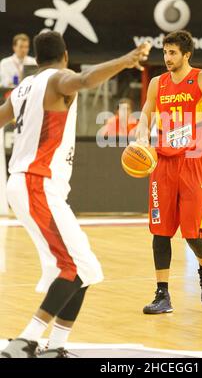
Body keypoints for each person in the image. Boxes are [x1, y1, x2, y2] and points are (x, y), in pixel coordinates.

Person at [0, 31, 150, 358]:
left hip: (29, 183)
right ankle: (25, 341)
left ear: (36, 58)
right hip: (37, 182)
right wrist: (126, 60)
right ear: (64, 55)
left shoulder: (23, 87)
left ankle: (55, 347)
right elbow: (83, 79)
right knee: (70, 267)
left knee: (86, 268)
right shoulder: (58, 78)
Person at [135, 25, 202, 314]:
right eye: (165, 52)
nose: (167, 57)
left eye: (172, 53)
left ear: (186, 54)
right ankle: (163, 294)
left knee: (193, 233)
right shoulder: (158, 83)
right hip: (165, 164)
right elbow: (145, 116)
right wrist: (140, 137)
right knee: (160, 231)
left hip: (195, 163)